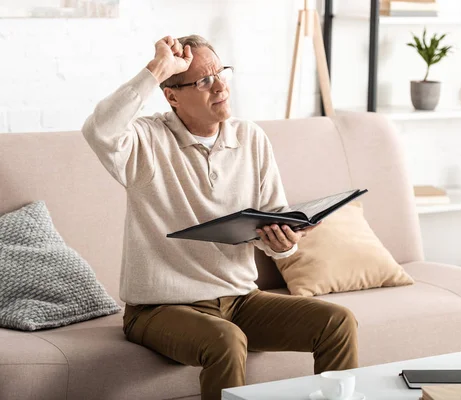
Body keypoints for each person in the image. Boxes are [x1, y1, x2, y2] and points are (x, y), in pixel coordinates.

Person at [81, 34, 358, 400]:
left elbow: (270, 226)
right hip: (159, 309)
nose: (220, 86)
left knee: (337, 322)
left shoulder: (251, 138)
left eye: (220, 73)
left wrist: (283, 244)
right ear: (173, 95)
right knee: (225, 340)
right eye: (204, 81)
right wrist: (158, 69)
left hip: (241, 300)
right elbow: (98, 129)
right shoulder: (147, 141)